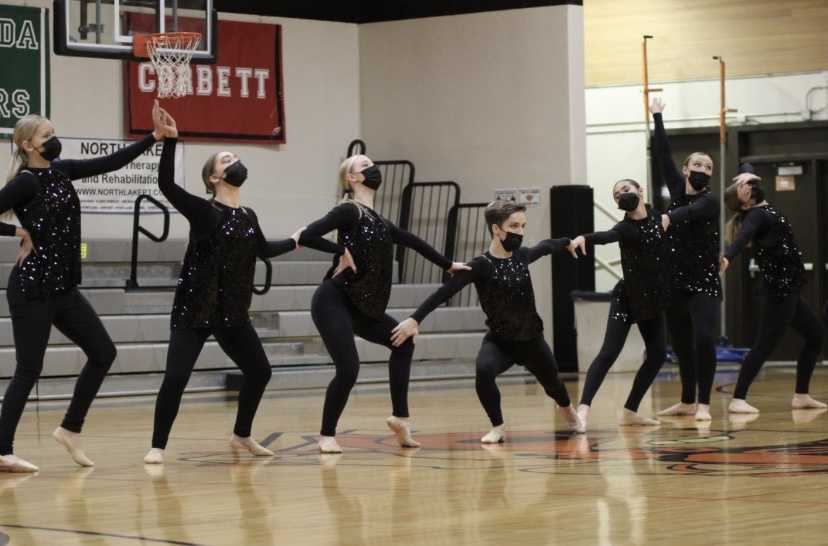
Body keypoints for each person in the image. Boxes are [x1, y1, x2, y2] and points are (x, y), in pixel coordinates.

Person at [143, 105, 342, 464]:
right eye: (225, 159)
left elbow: (263, 249)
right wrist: (171, 141)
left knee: (260, 371)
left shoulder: (248, 215)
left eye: (234, 156)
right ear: (214, 178)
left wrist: (296, 240)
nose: (234, 161)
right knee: (176, 376)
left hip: (232, 313)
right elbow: (166, 185)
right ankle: (157, 445)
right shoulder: (205, 212)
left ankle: (241, 435)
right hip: (195, 308)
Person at [300, 154, 469, 453]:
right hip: (334, 300)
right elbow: (308, 235)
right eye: (363, 166)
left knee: (403, 341)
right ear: (351, 178)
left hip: (365, 307)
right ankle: (326, 435)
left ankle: (400, 418)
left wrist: (448, 264)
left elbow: (414, 242)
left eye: (371, 164)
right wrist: (340, 249)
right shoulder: (348, 210)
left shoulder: (380, 221)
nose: (372, 168)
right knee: (349, 368)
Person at [391, 200, 585, 443]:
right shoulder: (481, 265)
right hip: (500, 342)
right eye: (514, 226)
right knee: (484, 371)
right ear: (496, 229)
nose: (520, 232)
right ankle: (498, 427)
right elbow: (445, 292)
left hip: (532, 340)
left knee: (554, 386)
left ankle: (568, 411)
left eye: (523, 226)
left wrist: (567, 242)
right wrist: (414, 319)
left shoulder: (522, 256)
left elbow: (546, 246)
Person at [720, 173, 825, 413]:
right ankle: (738, 399)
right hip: (777, 292)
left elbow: (749, 174)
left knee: (816, 335)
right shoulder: (755, 215)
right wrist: (727, 256)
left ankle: (801, 396)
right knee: (764, 346)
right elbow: (743, 237)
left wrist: (746, 173)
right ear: (744, 202)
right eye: (743, 187)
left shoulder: (760, 208)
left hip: (789, 289)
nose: (749, 185)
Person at [569, 178, 668, 429]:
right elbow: (606, 236)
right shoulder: (624, 228)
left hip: (653, 299)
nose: (622, 195)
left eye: (626, 190)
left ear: (640, 190)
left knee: (657, 356)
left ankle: (630, 411)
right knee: (609, 352)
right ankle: (583, 409)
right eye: (616, 195)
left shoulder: (660, 217)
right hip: (627, 298)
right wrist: (585, 237)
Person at [651, 98, 721, 421]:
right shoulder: (677, 187)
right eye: (698, 166)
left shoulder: (710, 202)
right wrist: (658, 117)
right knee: (680, 344)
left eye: (708, 168)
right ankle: (687, 400)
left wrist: (669, 217)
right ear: (686, 170)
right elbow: (663, 154)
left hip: (704, 281)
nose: (703, 171)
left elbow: (691, 213)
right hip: (675, 281)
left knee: (705, 337)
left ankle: (704, 403)